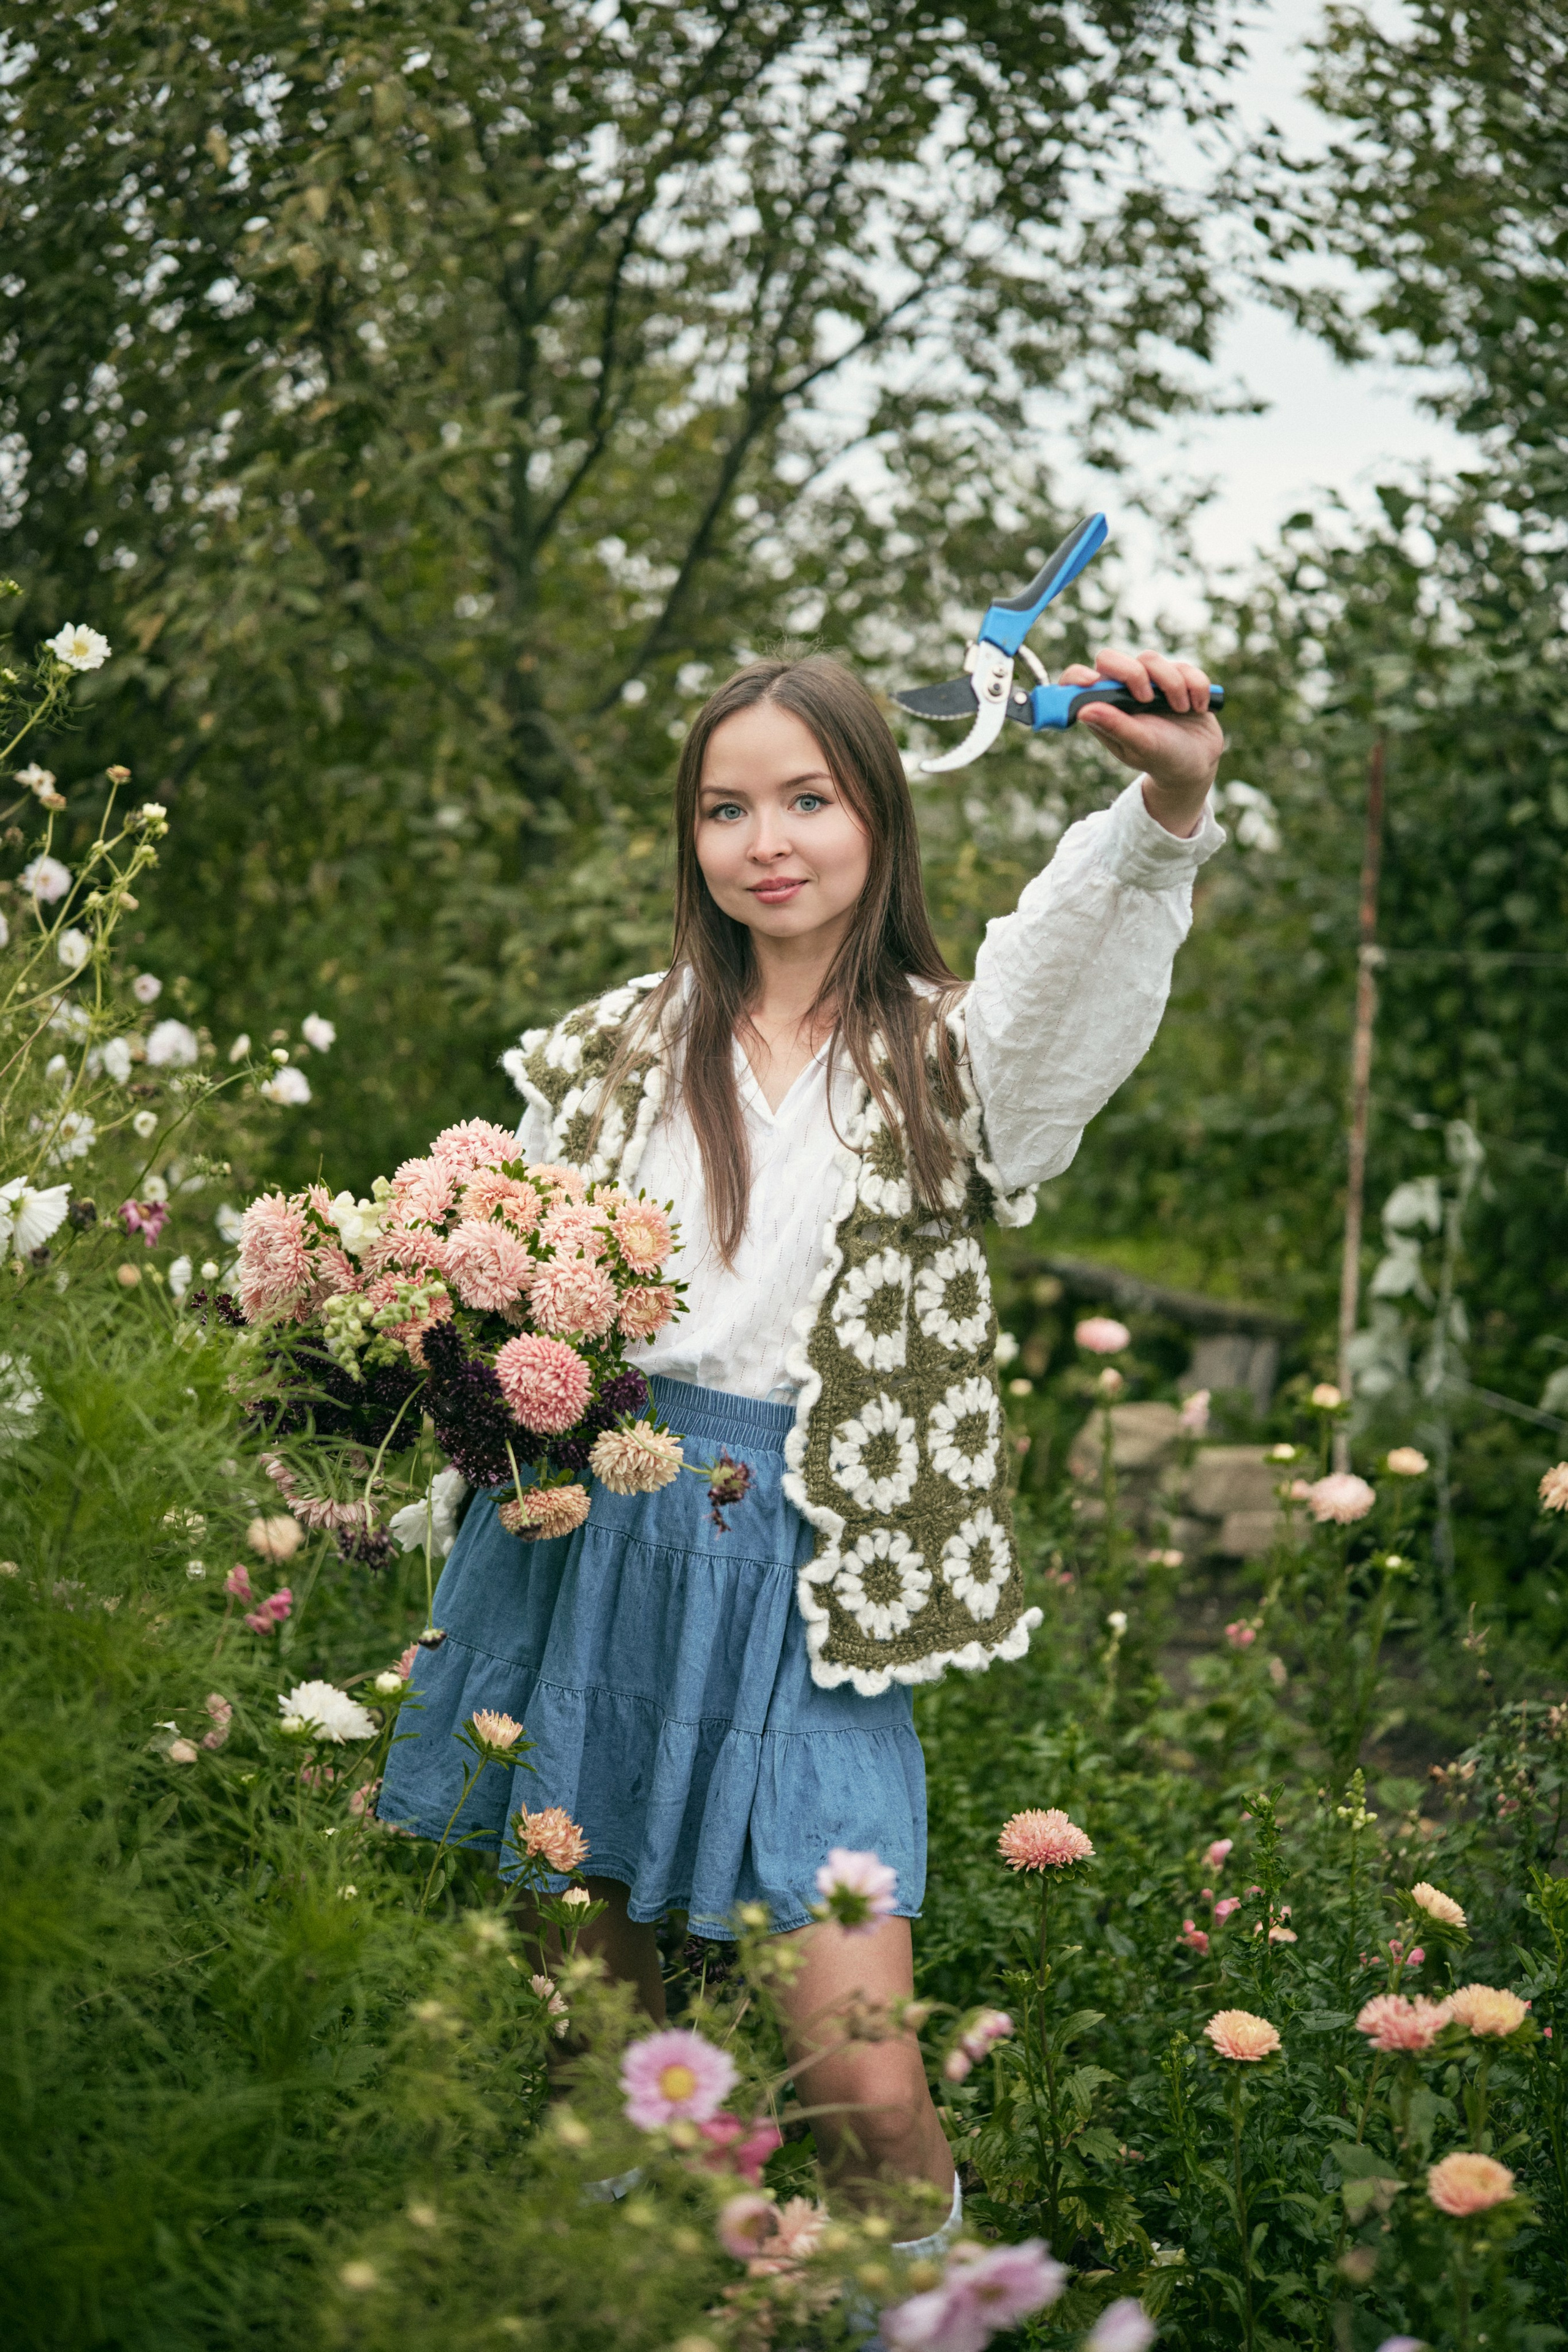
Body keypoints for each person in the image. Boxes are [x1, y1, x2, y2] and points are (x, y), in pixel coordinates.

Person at [379, 639, 1223, 2236]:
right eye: (725, 808)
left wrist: (1162, 808)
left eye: (809, 799)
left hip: (813, 1571)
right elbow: (502, 1298)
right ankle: (619, 2293)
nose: (765, 841)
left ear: (879, 817)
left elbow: (1068, 969)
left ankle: (924, 2306)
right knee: (598, 2046)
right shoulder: (610, 1047)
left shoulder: (949, 1058)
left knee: (861, 2079)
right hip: (594, 1539)